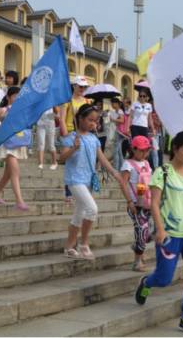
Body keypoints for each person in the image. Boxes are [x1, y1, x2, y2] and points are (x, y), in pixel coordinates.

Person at [134, 131, 183, 335]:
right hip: (170, 235)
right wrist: (160, 229)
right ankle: (146, 282)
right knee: (164, 278)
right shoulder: (163, 172)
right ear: (175, 149)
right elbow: (154, 204)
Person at [59, 104, 130, 260]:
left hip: (88, 180)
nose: (93, 123)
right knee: (92, 209)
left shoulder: (93, 139)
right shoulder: (71, 137)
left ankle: (69, 247)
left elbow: (102, 158)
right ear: (80, 119)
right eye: (90, 120)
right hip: (75, 180)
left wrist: (115, 173)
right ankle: (84, 244)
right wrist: (73, 148)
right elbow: (61, 158)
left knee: (79, 214)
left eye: (95, 121)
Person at [0, 86, 29, 210]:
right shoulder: (3, 109)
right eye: (15, 96)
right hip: (6, 144)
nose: (18, 98)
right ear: (8, 97)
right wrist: (0, 117)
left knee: (8, 174)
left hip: (17, 142)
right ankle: (19, 201)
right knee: (15, 171)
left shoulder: (22, 110)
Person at [121, 136, 153, 272]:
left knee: (149, 233)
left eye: (147, 150)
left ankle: (137, 246)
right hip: (135, 204)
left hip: (147, 203)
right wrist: (129, 202)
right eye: (141, 150)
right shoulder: (127, 164)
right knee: (142, 230)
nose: (144, 153)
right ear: (133, 149)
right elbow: (123, 184)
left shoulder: (147, 163)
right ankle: (137, 262)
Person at [108, 98, 126, 170]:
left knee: (116, 151)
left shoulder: (120, 111)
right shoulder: (116, 111)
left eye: (113, 103)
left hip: (120, 132)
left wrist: (113, 119)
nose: (112, 105)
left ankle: (116, 168)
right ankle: (122, 166)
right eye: (111, 103)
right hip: (119, 131)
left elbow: (122, 120)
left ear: (117, 104)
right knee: (119, 151)